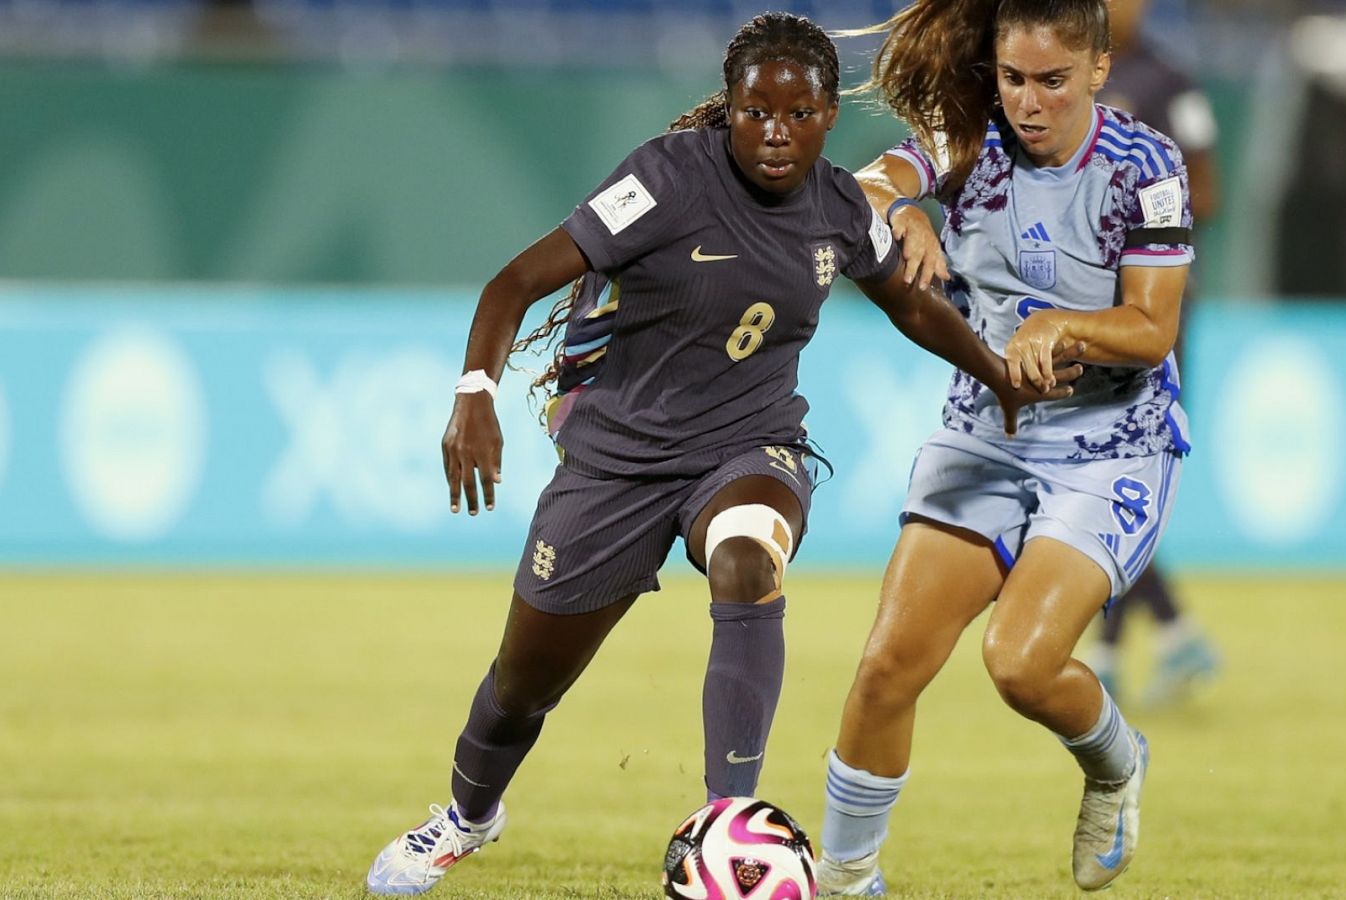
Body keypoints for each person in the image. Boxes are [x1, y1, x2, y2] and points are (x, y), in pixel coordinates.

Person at [363, 13, 1076, 897]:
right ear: (729, 111)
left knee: (747, 559)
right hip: (617, 461)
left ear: (825, 116)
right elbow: (515, 282)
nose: (777, 133)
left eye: (800, 113)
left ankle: (725, 824)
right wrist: (474, 392)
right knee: (521, 687)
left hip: (750, 445)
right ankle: (466, 818)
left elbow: (909, 303)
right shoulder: (663, 180)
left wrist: (999, 374)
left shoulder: (841, 208)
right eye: (756, 113)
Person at [815, 0, 1194, 893]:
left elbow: (1150, 328)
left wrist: (1061, 327)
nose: (1029, 103)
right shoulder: (967, 134)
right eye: (1015, 78)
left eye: (1053, 82)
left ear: (1096, 73)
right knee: (885, 667)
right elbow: (863, 193)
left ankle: (1114, 761)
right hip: (985, 432)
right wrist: (901, 216)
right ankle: (845, 877)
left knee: (1019, 666)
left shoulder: (1145, 167)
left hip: (1110, 445)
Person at [1087, 0, 1222, 708]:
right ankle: (1145, 641)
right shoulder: (1066, 77)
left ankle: (1146, 641)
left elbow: (1209, 189)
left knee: (1119, 471)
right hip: (1088, 304)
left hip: (1154, 305)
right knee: (1104, 476)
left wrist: (1142, 233)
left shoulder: (1172, 83)